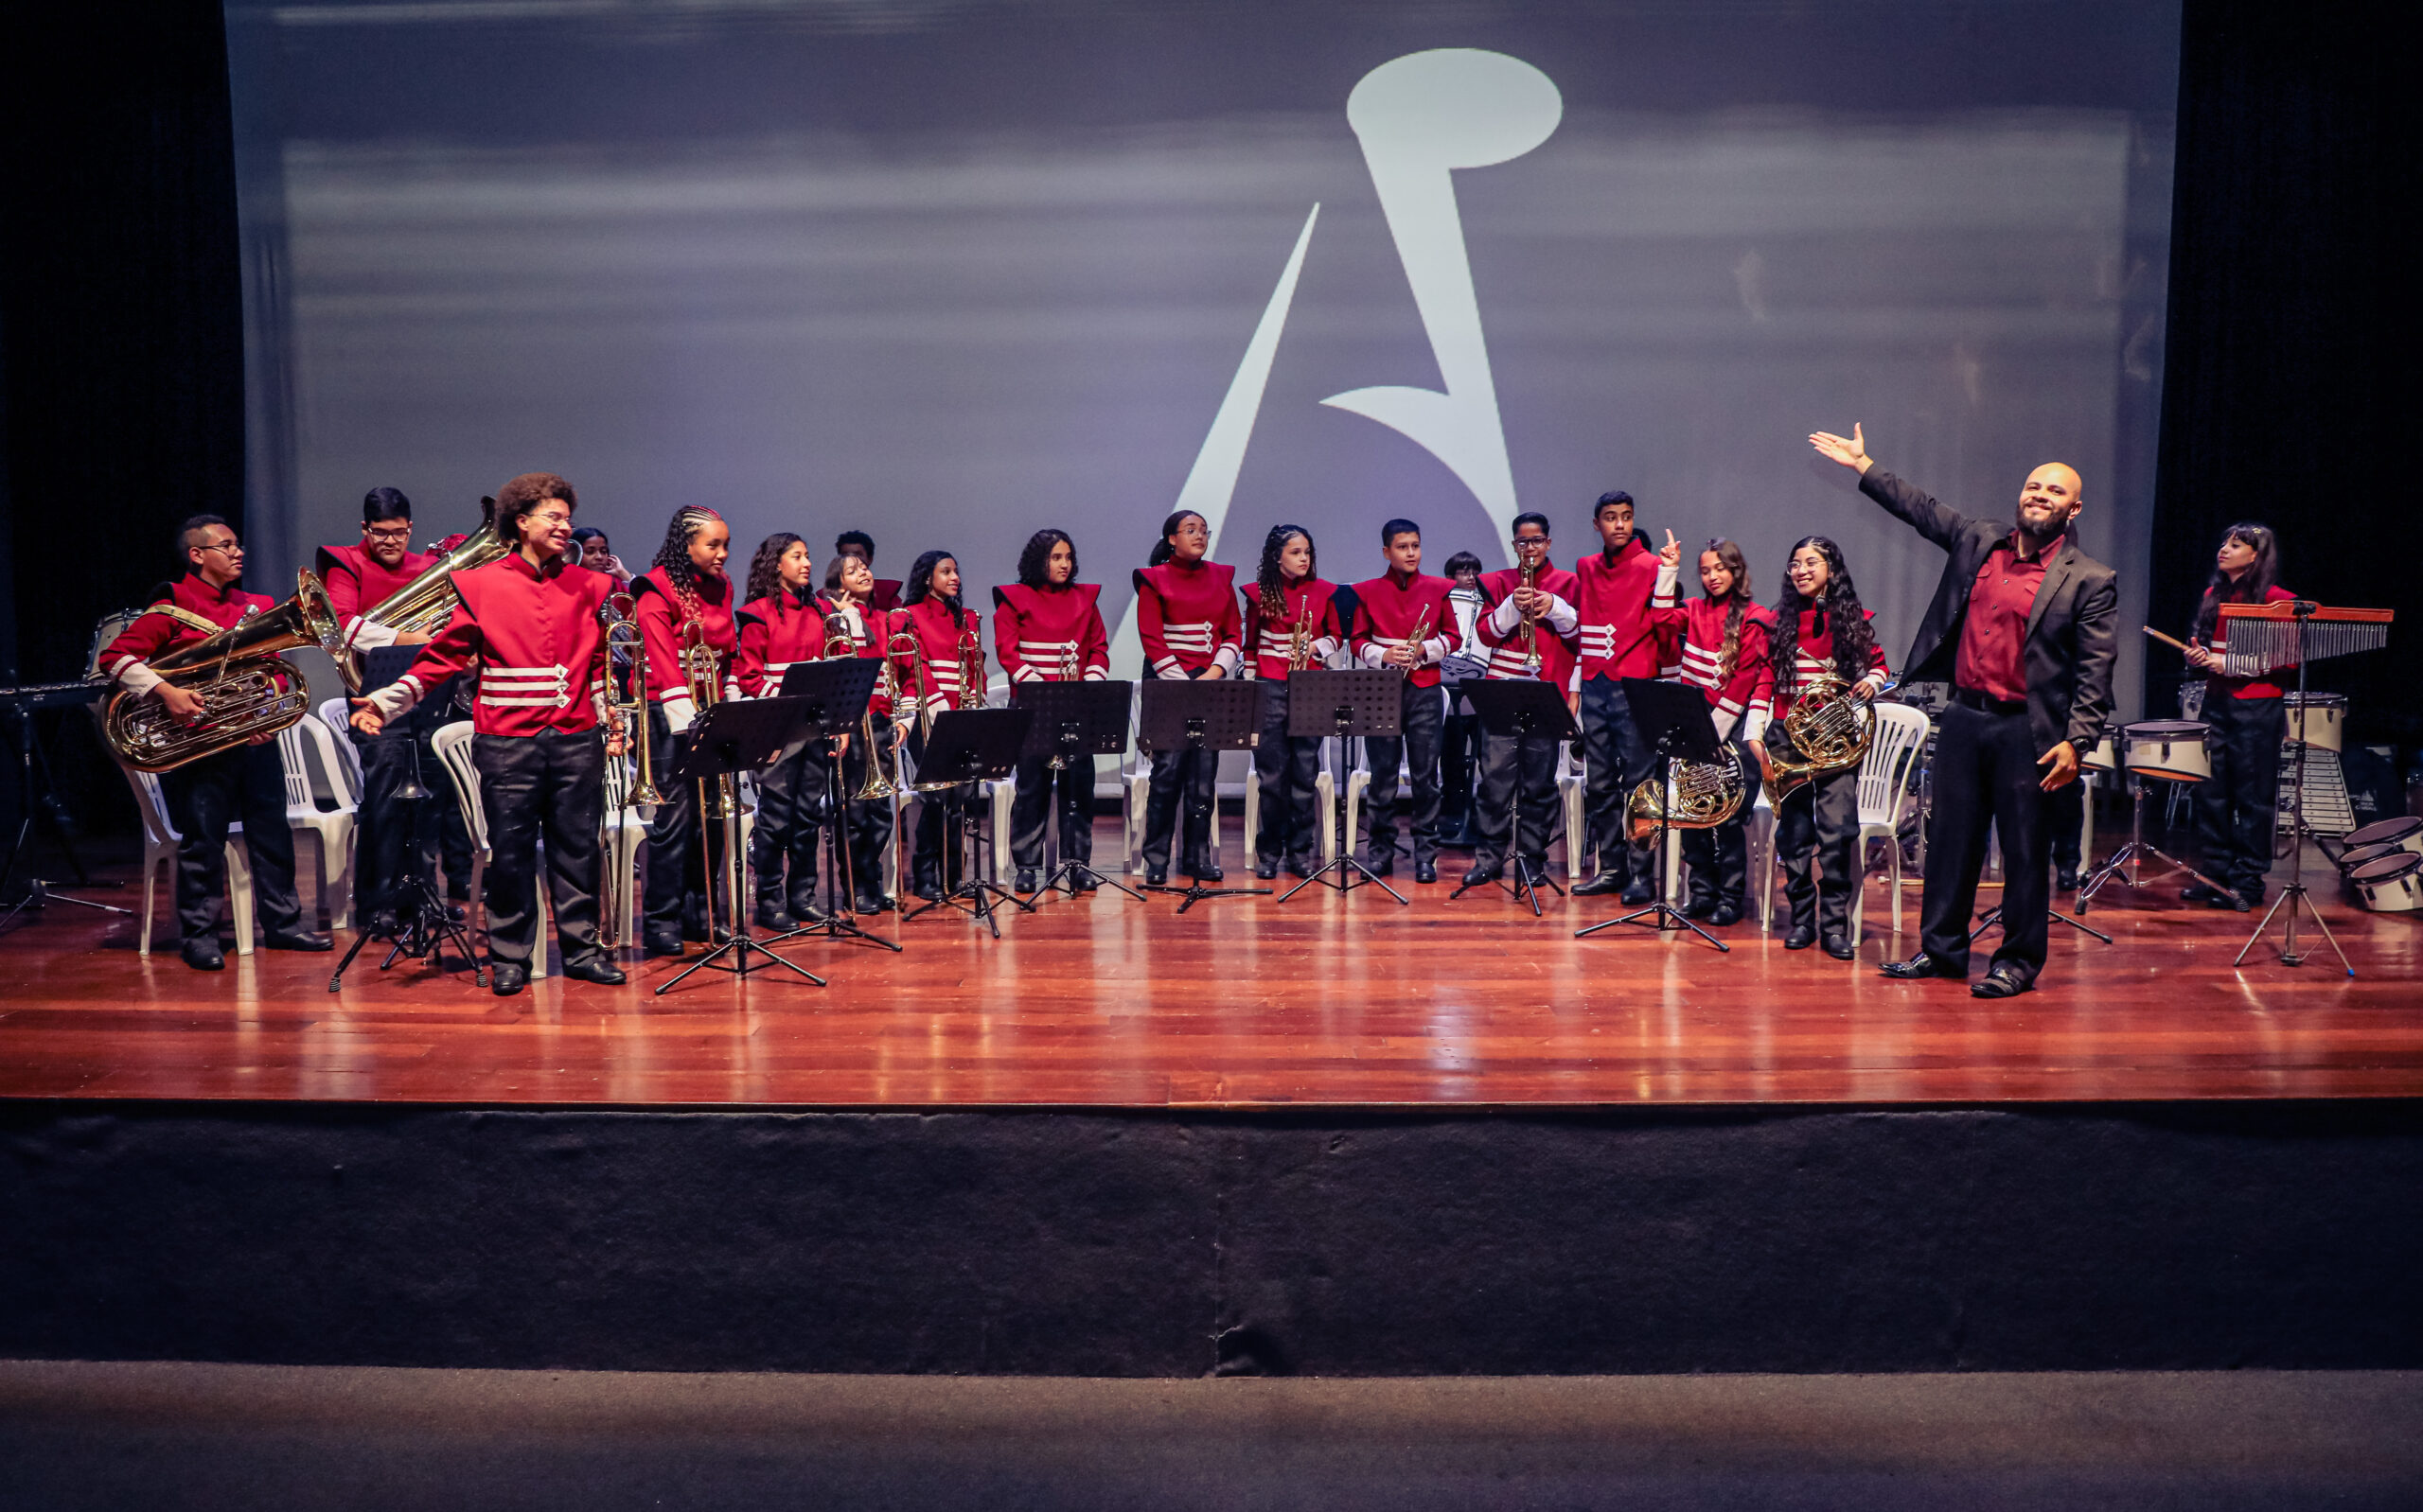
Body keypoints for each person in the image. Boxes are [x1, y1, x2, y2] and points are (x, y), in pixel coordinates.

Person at [1811, 423, 2117, 998]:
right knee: (1951, 841)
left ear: (2073, 509)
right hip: (1964, 719)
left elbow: (2095, 670)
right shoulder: (1981, 540)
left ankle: (2018, 961)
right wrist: (1863, 464)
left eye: (2054, 492)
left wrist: (2077, 741)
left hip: (2030, 730)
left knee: (2026, 851)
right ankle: (1942, 951)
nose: (2039, 497)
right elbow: (1921, 508)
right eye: (2033, 487)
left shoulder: (2091, 580)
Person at [349, 474, 626, 994]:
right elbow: (441, 658)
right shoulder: (481, 584)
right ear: (521, 522)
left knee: (577, 848)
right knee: (511, 850)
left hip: (576, 737)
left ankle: (583, 950)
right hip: (507, 741)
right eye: (554, 517)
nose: (565, 526)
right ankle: (510, 957)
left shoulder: (591, 586)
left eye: (568, 517)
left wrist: (613, 720)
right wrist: (386, 703)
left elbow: (597, 666)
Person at [99, 517, 333, 971]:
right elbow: (115, 658)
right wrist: (166, 692)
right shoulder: (171, 605)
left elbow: (274, 670)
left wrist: (270, 710)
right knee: (202, 841)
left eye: (237, 545)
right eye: (226, 546)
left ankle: (283, 925)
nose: (238, 552)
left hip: (253, 739)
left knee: (273, 833)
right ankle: (200, 935)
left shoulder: (257, 605)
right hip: (200, 746)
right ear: (197, 555)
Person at [317, 487, 445, 933]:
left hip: (426, 698)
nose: (390, 542)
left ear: (410, 527)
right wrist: (404, 639)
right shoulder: (345, 561)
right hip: (373, 697)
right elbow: (341, 624)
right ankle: (377, 904)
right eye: (380, 533)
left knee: (428, 804)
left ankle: (422, 899)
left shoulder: (429, 567)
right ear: (364, 529)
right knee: (385, 803)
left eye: (399, 533)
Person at [1759, 537, 1890, 958]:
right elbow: (1765, 677)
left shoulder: (1853, 619)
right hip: (1787, 737)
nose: (1800, 570)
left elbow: (1880, 664)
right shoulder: (1777, 621)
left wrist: (1872, 680)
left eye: (1810, 563)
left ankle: (1834, 925)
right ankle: (1802, 920)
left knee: (1838, 832)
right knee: (1794, 834)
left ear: (1831, 569)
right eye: (1793, 563)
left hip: (1836, 742)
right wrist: (1755, 730)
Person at [631, 506, 742, 958]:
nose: (722, 554)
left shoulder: (721, 585)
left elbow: (727, 648)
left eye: (726, 545)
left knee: (712, 815)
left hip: (711, 706)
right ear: (686, 545)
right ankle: (662, 920)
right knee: (674, 821)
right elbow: (660, 659)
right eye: (712, 545)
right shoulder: (654, 587)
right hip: (669, 715)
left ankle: (702, 913)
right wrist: (688, 723)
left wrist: (730, 701)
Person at [1651, 538, 1775, 925]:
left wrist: (1713, 736)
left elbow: (1742, 684)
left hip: (1731, 727)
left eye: (1720, 569)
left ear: (1735, 571)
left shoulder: (1756, 617)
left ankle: (1730, 897)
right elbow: (1659, 621)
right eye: (1705, 571)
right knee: (1691, 810)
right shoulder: (1693, 609)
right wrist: (1668, 569)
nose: (1712, 577)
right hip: (1695, 720)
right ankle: (1702, 892)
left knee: (1727, 815)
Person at [2182, 523, 2296, 910]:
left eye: (2236, 545)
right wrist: (2199, 657)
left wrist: (2227, 663)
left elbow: (2287, 659)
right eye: (2224, 542)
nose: (2224, 549)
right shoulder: (2214, 594)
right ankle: (2215, 875)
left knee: (2253, 796)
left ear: (2256, 555)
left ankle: (2247, 881)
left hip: (2257, 706)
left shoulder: (2280, 601)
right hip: (2218, 702)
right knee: (2210, 792)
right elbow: (2210, 651)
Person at [1464, 513, 1581, 889]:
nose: (1529, 549)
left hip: (1545, 692)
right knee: (1494, 782)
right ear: (1514, 544)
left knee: (1539, 785)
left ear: (1548, 543)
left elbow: (1581, 636)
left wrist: (1556, 608)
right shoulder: (1496, 582)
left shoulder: (1569, 583)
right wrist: (1512, 606)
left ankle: (1532, 860)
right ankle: (1489, 859)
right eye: (1522, 542)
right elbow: (1485, 633)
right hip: (1502, 689)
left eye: (1536, 541)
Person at [1566, 492, 1671, 901]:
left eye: (1627, 517)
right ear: (1597, 525)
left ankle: (1643, 876)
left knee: (1640, 784)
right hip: (1596, 684)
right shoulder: (1585, 567)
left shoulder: (1652, 565)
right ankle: (1611, 867)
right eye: (1611, 518)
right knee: (1601, 784)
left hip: (1634, 685)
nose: (1620, 525)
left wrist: (1669, 571)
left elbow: (1663, 620)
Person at [993, 528, 1110, 892]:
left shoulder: (1085, 600)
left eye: (1068, 557)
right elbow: (1008, 652)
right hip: (1032, 705)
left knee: (1080, 786)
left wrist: (1086, 687)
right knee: (1032, 787)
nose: (1064, 564)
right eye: (1056, 557)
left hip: (1076, 706)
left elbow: (1099, 648)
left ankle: (1077, 863)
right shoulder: (1014, 599)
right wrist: (1044, 691)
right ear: (1038, 560)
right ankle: (1027, 865)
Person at [1133, 509, 1242, 885]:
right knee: (1168, 772)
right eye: (1190, 530)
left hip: (1208, 680)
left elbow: (1233, 633)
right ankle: (1157, 859)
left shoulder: (1221, 576)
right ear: (1171, 540)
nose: (1199, 536)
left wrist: (1215, 672)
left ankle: (1196, 857)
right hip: (1169, 681)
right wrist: (1181, 681)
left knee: (1203, 775)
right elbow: (1151, 637)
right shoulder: (1153, 579)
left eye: (1203, 530)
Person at [1348, 518, 1456, 883]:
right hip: (1382, 689)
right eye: (1402, 547)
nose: (1411, 553)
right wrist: (1385, 654)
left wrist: (1424, 649)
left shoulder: (1439, 589)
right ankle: (1380, 853)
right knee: (1383, 777)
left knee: (1427, 777)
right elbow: (1358, 640)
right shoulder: (1368, 591)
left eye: (1415, 546)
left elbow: (1453, 637)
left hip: (1424, 689)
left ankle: (1426, 854)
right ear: (1386, 552)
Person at [734, 533, 833, 930]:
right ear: (776, 563)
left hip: (813, 728)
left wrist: (835, 724)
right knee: (775, 818)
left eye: (808, 555)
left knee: (808, 815)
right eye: (797, 556)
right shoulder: (757, 613)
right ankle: (770, 901)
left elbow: (830, 671)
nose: (807, 563)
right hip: (776, 729)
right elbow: (749, 677)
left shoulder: (821, 612)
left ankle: (803, 896)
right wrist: (790, 705)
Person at [1242, 524, 1341, 880]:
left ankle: (1299, 852)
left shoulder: (1324, 592)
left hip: (1309, 687)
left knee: (1304, 774)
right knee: (1272, 778)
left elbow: (1335, 637)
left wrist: (1314, 647)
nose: (1304, 559)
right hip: (1270, 688)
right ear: (1276, 557)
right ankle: (1269, 850)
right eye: (1296, 552)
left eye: (1307, 552)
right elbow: (1250, 647)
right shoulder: (1258, 595)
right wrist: (1252, 687)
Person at [897, 550, 986, 902]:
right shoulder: (910, 616)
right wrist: (938, 709)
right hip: (928, 716)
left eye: (956, 571)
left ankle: (954, 876)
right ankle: (924, 875)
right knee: (935, 797)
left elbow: (974, 665)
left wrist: (972, 706)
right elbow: (915, 665)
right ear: (926, 578)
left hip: (960, 715)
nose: (955, 578)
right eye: (945, 571)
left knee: (959, 799)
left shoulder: (966, 618)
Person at [823, 550, 903, 913]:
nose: (864, 572)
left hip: (882, 725)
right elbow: (844, 661)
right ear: (837, 582)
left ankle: (872, 882)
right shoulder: (832, 618)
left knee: (881, 812)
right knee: (854, 812)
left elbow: (899, 672)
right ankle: (854, 887)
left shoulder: (886, 618)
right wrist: (846, 616)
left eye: (865, 566)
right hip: (854, 725)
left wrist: (904, 719)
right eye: (852, 570)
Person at [1437, 551, 1489, 845]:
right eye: (1463, 572)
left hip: (1480, 689)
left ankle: (1481, 818)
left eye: (1474, 571)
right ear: (1450, 577)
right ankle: (1451, 815)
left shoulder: (1487, 604)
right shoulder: (1443, 602)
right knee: (1451, 757)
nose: (1470, 577)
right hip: (1449, 692)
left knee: (1486, 757)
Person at [836, 531, 903, 612]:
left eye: (857, 554)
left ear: (870, 559)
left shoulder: (887, 594)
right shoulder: (828, 597)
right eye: (846, 555)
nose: (852, 559)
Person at [569, 526, 633, 587]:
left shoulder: (615, 585)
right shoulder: (565, 585)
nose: (599, 557)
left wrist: (622, 573)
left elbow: (641, 597)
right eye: (590, 552)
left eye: (603, 551)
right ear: (574, 554)